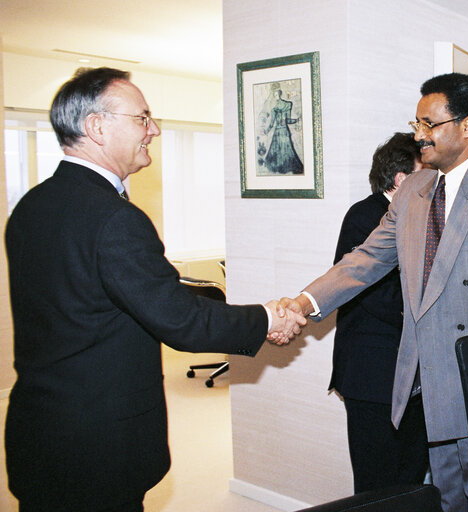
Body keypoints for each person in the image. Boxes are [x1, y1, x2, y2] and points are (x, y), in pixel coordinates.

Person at [3, 67, 305, 512]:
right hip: (97, 446)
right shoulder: (114, 218)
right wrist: (267, 317)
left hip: (41, 432)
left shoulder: (30, 206)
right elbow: (182, 320)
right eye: (143, 118)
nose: (155, 130)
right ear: (96, 127)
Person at [278, 73, 468, 511]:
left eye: (429, 124)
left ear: (466, 127)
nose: (418, 134)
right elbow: (364, 260)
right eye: (417, 123)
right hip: (430, 385)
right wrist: (301, 303)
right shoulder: (412, 190)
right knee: (444, 498)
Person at [330, 132, 428, 493]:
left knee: (412, 473)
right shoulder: (364, 216)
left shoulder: (422, 217)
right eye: (427, 173)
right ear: (402, 180)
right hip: (372, 376)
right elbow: (372, 293)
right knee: (376, 483)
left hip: (414, 376)